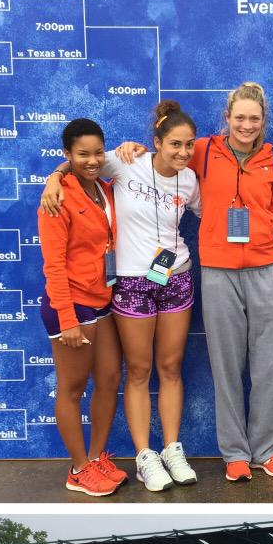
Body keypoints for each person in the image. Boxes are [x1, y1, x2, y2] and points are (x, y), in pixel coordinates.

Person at [116, 82, 273, 480]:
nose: (247, 125)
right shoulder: (202, 150)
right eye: (239, 117)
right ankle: (234, 455)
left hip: (265, 273)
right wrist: (133, 149)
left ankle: (265, 450)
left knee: (268, 367)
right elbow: (164, 156)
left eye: (254, 119)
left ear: (263, 122)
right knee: (226, 367)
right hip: (217, 275)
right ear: (226, 118)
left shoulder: (272, 163)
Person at [41, 100, 202, 492]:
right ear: (156, 141)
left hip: (173, 277)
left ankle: (170, 449)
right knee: (138, 370)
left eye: (189, 145)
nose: (182, 152)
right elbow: (78, 165)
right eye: (174, 144)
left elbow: (217, 216)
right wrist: (52, 178)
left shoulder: (191, 180)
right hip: (127, 284)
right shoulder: (123, 162)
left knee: (168, 367)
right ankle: (143, 457)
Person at [37, 118, 126, 496]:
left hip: (102, 300)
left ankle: (95, 458)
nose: (91, 160)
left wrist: (55, 173)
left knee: (109, 380)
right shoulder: (56, 198)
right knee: (72, 390)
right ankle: (77, 470)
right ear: (67, 155)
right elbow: (53, 264)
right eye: (82, 154)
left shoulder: (104, 187)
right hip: (69, 304)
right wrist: (68, 319)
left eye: (97, 153)